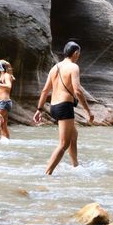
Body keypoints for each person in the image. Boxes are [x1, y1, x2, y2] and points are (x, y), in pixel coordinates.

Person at [34, 41, 95, 175]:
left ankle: (75, 165)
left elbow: (45, 91)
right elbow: (77, 90)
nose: (79, 56)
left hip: (54, 107)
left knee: (74, 135)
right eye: (79, 53)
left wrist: (39, 109)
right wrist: (88, 111)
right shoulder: (73, 67)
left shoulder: (54, 68)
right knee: (63, 144)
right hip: (64, 106)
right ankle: (47, 173)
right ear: (76, 53)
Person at [0, 59, 16, 140]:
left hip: (5, 102)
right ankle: (7, 142)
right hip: (2, 102)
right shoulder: (2, 75)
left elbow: (9, 86)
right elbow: (2, 92)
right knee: (3, 125)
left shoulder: (6, 75)